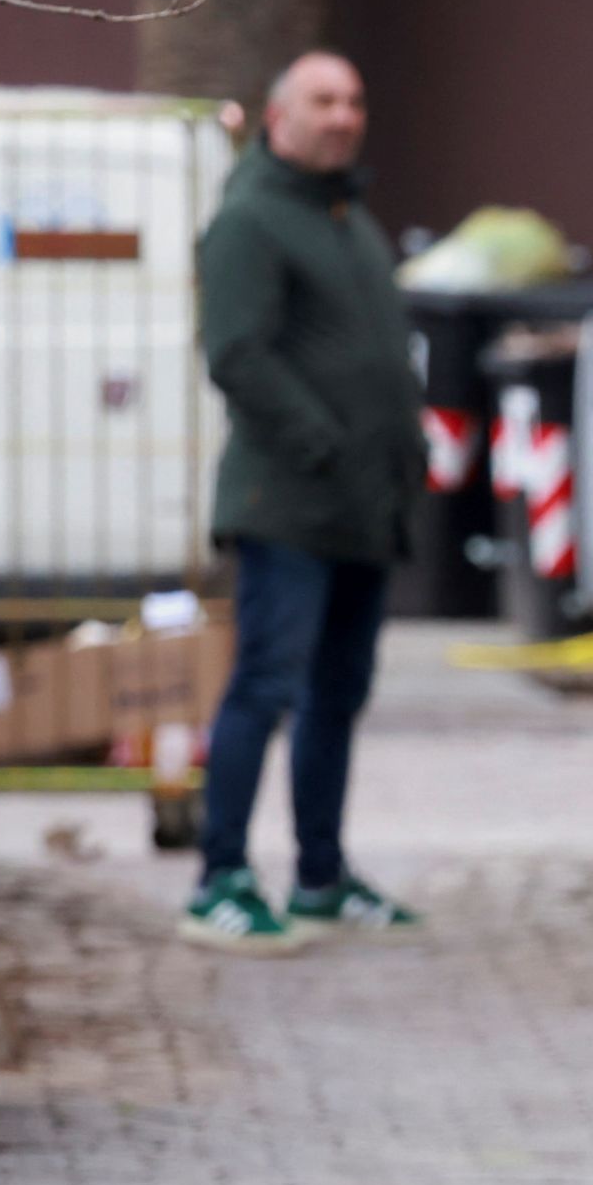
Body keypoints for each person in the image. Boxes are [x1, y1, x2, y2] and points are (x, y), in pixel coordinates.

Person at [179, 49, 427, 953]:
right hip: (288, 504)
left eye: (355, 99)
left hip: (363, 507)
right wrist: (322, 442)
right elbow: (237, 354)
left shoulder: (346, 214)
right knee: (266, 686)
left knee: (338, 692)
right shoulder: (250, 219)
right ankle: (222, 877)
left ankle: (320, 873)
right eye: (324, 99)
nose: (343, 114)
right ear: (279, 116)